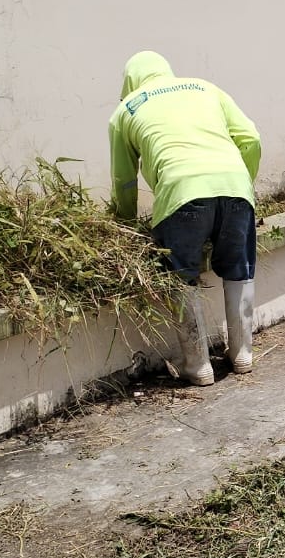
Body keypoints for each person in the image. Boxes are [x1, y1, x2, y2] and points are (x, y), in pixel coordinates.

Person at [109, 51, 262, 386]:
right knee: (239, 267)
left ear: (130, 81)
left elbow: (124, 179)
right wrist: (242, 183)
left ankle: (198, 365)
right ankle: (242, 354)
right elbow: (250, 138)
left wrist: (124, 223)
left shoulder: (126, 109)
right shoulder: (205, 87)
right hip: (236, 187)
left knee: (180, 275)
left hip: (180, 194)